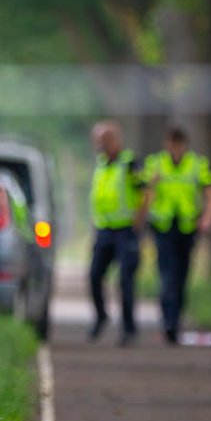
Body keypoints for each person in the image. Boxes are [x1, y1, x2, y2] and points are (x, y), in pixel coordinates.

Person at [144, 126, 211, 344]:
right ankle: (168, 321)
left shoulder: (197, 165)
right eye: (171, 144)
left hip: (187, 227)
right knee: (167, 274)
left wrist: (207, 218)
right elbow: (146, 194)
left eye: (178, 145)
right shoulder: (155, 164)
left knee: (181, 275)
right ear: (166, 144)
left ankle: (175, 320)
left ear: (184, 145)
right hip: (163, 227)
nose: (175, 149)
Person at [88, 120, 147, 345]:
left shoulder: (130, 162)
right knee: (94, 276)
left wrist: (138, 222)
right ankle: (101, 316)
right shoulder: (102, 163)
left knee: (125, 280)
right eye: (97, 140)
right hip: (104, 230)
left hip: (126, 231)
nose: (99, 145)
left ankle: (129, 329)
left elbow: (145, 192)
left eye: (103, 140)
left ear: (115, 140)